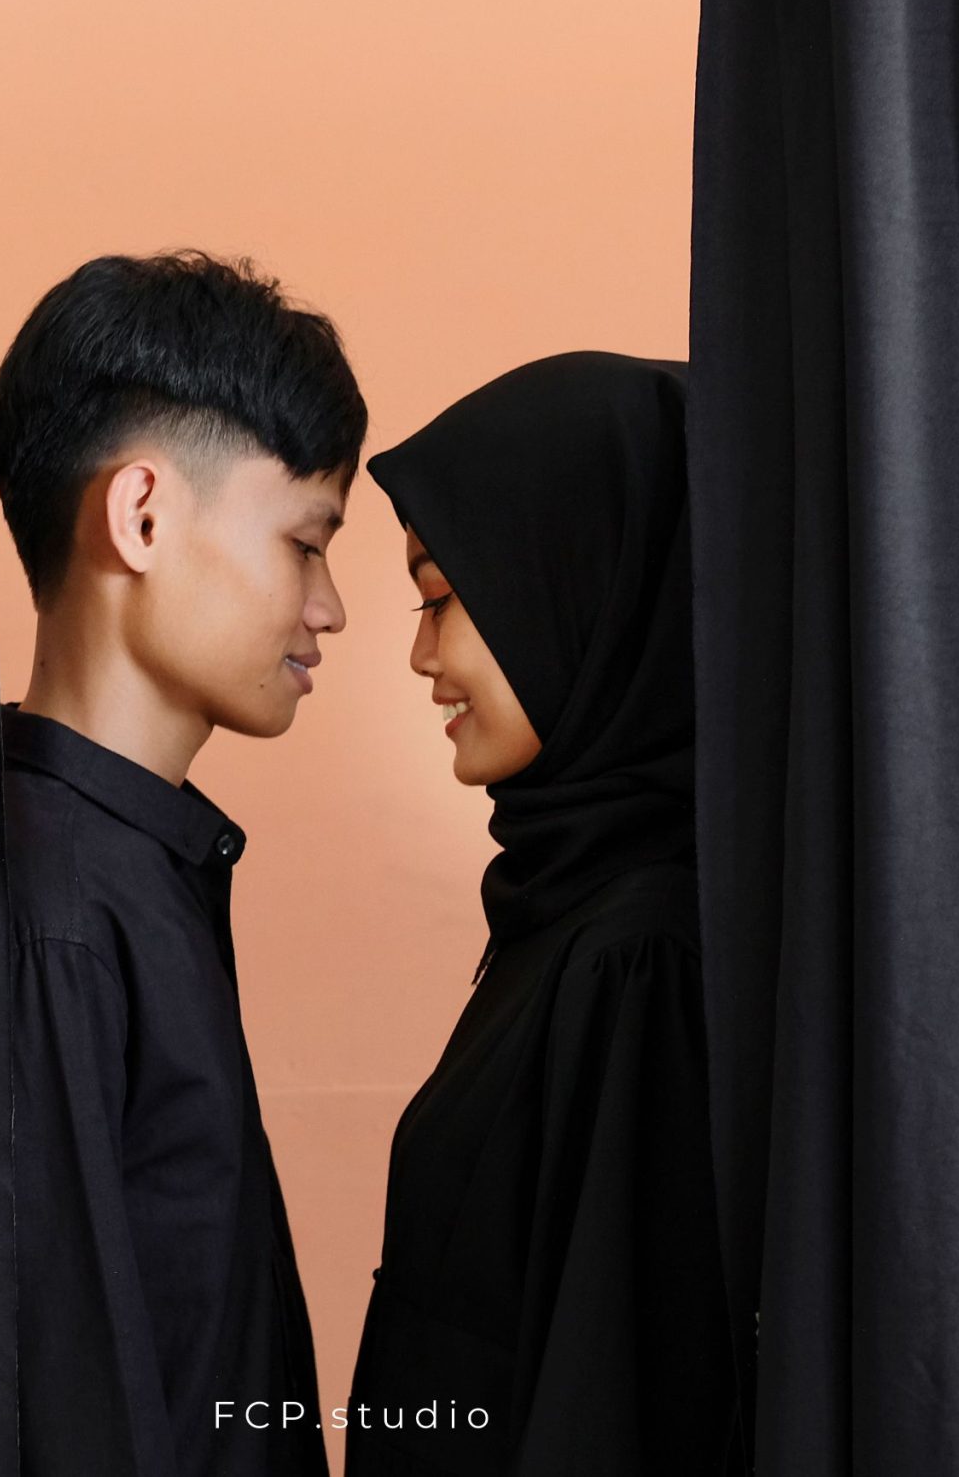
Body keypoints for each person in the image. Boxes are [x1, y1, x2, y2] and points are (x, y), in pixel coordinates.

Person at [0, 251, 365, 1477]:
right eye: (305, 542)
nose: (329, 608)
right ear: (141, 515)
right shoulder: (55, 913)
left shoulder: (123, 866)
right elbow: (72, 1407)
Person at [344, 352, 730, 1475]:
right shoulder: (564, 913)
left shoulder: (641, 955)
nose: (421, 654)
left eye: (441, 598)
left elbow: (616, 1412)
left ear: (585, 587)